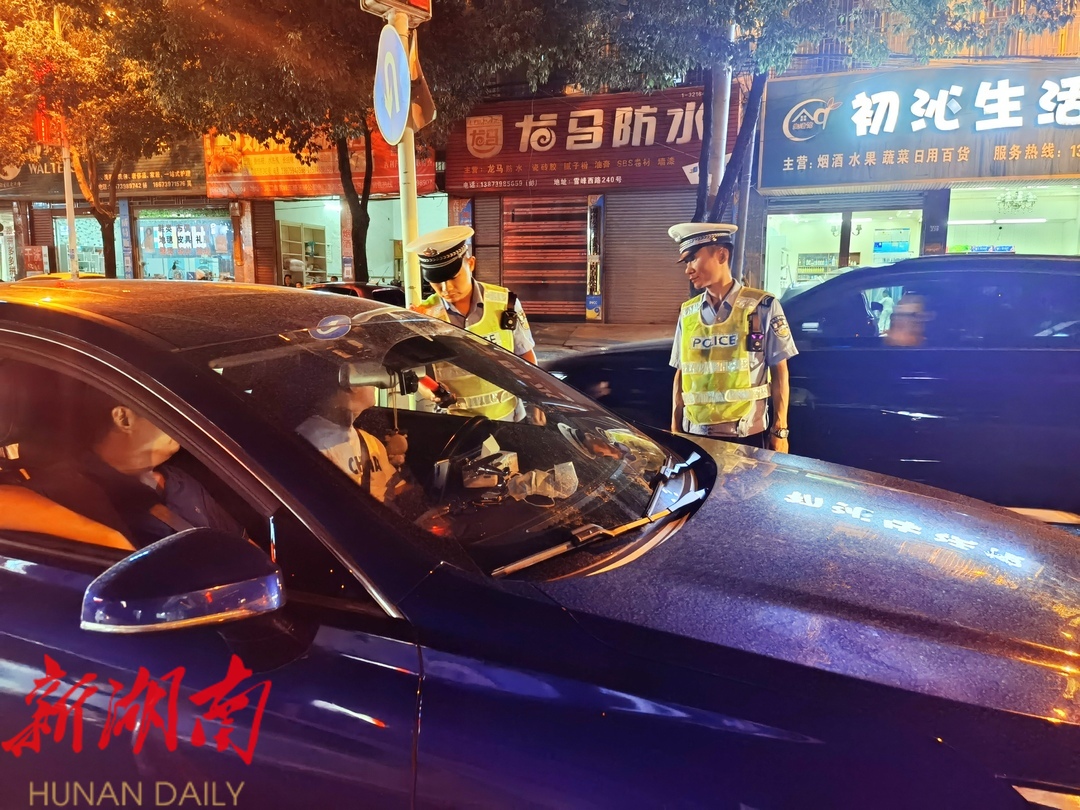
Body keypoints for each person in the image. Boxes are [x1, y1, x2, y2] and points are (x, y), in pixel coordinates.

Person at [0, 383, 243, 550]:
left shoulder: (179, 480)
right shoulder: (69, 486)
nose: (182, 423)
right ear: (124, 418)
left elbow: (244, 547)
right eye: (168, 412)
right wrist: (110, 539)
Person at [668, 223, 798, 452]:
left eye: (693, 259)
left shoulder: (762, 307)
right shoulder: (687, 312)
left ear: (722, 255)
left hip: (746, 435)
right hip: (695, 434)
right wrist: (675, 427)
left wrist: (780, 430)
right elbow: (681, 373)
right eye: (686, 262)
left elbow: (780, 372)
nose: (688, 270)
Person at [405, 226, 538, 422]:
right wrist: (431, 393)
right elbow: (417, 374)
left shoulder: (505, 303)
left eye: (453, 277)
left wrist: (537, 401)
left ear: (471, 263)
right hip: (455, 423)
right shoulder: (424, 316)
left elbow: (525, 356)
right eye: (437, 281)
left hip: (509, 418)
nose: (446, 288)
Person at [296, 372, 400, 503]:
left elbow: (395, 491)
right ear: (353, 383)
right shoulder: (311, 442)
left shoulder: (372, 443)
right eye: (368, 374)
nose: (376, 384)